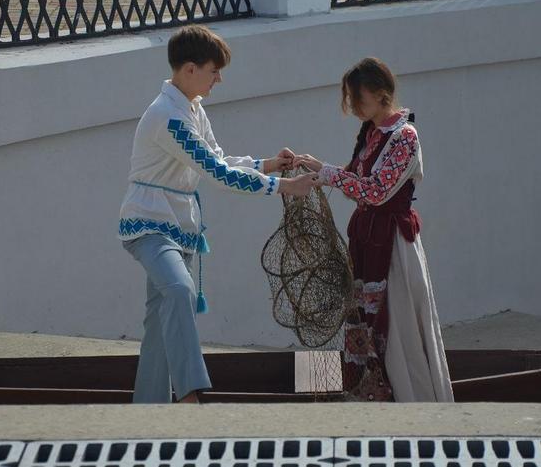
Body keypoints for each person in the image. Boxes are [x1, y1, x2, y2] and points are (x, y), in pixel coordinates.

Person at [118, 24, 317, 404]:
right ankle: (190, 391)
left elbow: (220, 159)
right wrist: (284, 187)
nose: (219, 79)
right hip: (150, 226)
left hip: (180, 228)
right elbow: (218, 174)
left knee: (161, 322)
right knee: (179, 290)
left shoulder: (190, 108)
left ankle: (147, 411)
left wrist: (268, 164)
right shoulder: (168, 117)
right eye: (214, 70)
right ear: (189, 69)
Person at [294, 57, 454, 402]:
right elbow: (355, 181)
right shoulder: (372, 132)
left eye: (358, 98)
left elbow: (376, 191)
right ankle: (371, 391)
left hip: (392, 245)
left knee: (395, 325)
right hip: (367, 238)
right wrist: (316, 170)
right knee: (366, 318)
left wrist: (328, 173)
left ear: (382, 94)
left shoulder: (405, 137)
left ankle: (411, 398)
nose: (353, 106)